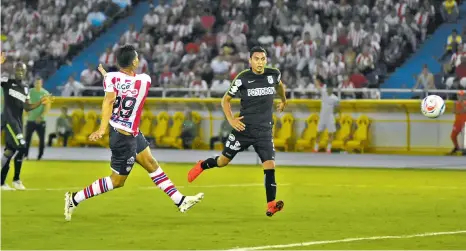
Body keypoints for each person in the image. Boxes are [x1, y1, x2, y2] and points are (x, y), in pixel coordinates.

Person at [64, 45, 203, 221]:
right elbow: (127, 87)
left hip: (126, 132)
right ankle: (74, 199)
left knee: (151, 163)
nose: (138, 59)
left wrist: (101, 128)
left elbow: (110, 99)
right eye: (137, 57)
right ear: (134, 62)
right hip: (124, 139)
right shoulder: (145, 80)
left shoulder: (111, 78)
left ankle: (180, 200)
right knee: (116, 181)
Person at [187, 46, 288, 217]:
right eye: (256, 59)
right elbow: (225, 100)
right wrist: (231, 119)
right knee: (223, 161)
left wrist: (283, 100)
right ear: (250, 61)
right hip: (244, 129)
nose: (260, 62)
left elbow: (280, 86)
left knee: (270, 166)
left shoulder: (273, 74)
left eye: (263, 59)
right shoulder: (242, 78)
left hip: (264, 131)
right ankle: (202, 165)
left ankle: (271, 205)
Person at [0, 53, 53, 190]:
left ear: (25, 72)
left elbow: (27, 107)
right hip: (8, 119)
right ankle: (16, 180)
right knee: (23, 147)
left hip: (18, 121)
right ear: (14, 71)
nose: (20, 72)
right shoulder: (7, 82)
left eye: (22, 70)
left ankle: (2, 182)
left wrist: (40, 102)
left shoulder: (25, 88)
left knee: (11, 150)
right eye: (18, 70)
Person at [25, 78, 50, 160]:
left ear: (41, 83)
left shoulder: (45, 93)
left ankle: (40, 156)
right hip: (31, 120)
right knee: (27, 139)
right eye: (36, 83)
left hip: (41, 121)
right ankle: (25, 155)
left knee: (42, 140)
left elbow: (47, 107)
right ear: (34, 83)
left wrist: (41, 116)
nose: (37, 85)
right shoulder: (30, 92)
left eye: (39, 83)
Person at [313, 75, 340, 153]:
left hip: (330, 118)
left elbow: (337, 107)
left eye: (331, 88)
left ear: (332, 89)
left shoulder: (335, 99)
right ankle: (316, 148)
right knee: (318, 132)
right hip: (322, 117)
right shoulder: (323, 92)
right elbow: (318, 87)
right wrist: (316, 80)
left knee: (331, 133)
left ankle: (328, 148)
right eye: (328, 88)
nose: (329, 90)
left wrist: (337, 115)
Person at [450, 90, 466, 155]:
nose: (460, 97)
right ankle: (456, 147)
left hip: (464, 122)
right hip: (457, 122)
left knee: (464, 137)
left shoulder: (464, 103)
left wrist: (461, 104)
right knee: (453, 136)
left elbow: (464, 110)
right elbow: (453, 111)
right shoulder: (455, 103)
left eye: (461, 95)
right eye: (459, 95)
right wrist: (459, 111)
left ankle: (464, 150)